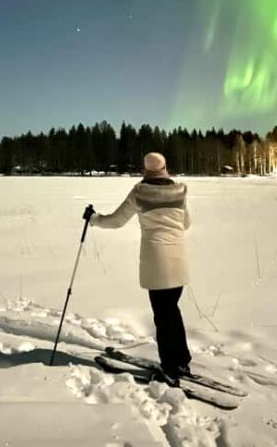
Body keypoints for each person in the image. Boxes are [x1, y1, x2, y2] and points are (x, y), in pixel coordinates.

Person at [89, 152, 192, 385]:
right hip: (179, 259)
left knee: (163, 315)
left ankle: (170, 368)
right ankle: (181, 361)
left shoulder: (140, 192)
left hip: (156, 261)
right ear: (166, 167)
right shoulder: (180, 191)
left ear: (146, 170)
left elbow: (115, 221)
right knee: (172, 311)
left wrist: (94, 218)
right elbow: (186, 223)